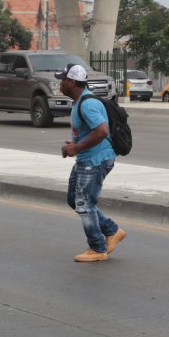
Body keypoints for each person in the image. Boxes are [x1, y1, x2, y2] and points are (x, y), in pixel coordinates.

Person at [57, 63, 125, 263]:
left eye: (62, 80)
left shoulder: (87, 103)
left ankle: (97, 248)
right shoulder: (80, 101)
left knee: (84, 204)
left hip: (95, 161)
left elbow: (102, 131)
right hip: (86, 158)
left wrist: (76, 148)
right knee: (74, 199)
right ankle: (113, 231)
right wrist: (76, 145)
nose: (60, 83)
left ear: (71, 82)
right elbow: (91, 131)